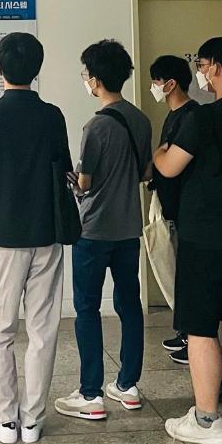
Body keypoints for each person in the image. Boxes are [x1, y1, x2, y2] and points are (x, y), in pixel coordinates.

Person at [0, 32, 73, 444]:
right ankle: (33, 420)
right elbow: (64, 172)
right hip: (47, 234)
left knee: (0, 329)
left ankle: (5, 420)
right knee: (43, 329)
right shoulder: (52, 116)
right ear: (36, 69)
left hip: (3, 236)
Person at [155, 35, 222, 444]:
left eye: (202, 64)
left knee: (200, 328)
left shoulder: (204, 118)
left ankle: (206, 419)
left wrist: (161, 150)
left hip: (205, 237)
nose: (201, 72)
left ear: (215, 67)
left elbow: (168, 166)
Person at [55, 40, 152, 422]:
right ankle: (128, 385)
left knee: (87, 308)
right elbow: (145, 172)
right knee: (130, 305)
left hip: (93, 231)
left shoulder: (95, 126)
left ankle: (90, 393)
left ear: (95, 79)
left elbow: (86, 182)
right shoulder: (140, 120)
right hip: (129, 229)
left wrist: (74, 183)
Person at [148, 54, 197, 365]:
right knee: (175, 273)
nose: (153, 87)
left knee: (186, 275)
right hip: (170, 207)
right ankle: (184, 331)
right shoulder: (173, 115)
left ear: (170, 84)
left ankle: (193, 338)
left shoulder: (191, 116)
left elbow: (166, 163)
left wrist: (158, 155)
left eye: (156, 81)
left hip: (184, 209)